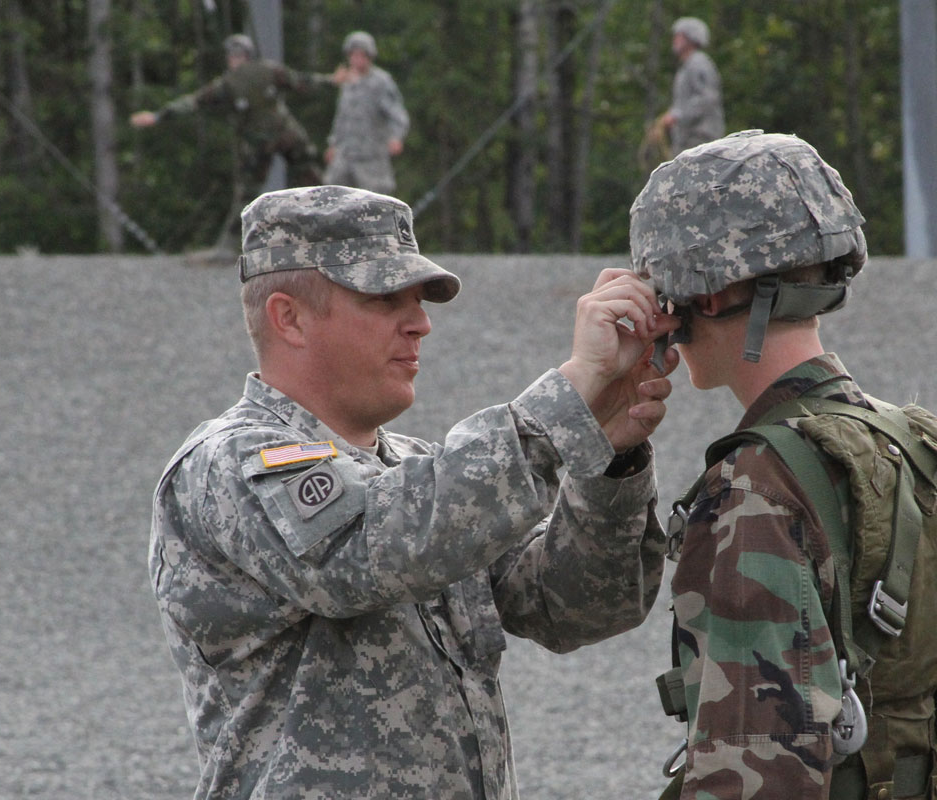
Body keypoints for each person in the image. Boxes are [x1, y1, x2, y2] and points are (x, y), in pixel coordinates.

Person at [149, 184, 682, 799]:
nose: (421, 324)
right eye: (384, 299)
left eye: (419, 301)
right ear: (288, 317)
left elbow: (576, 605)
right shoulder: (228, 463)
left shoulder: (418, 470)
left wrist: (607, 458)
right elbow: (361, 551)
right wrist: (559, 406)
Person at [630, 131, 937, 799]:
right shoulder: (930, 451)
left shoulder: (756, 486)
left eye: (663, 290)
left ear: (707, 297)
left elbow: (755, 774)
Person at [130, 34, 342, 257]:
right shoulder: (268, 70)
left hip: (259, 143)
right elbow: (303, 82)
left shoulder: (229, 83)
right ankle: (336, 227)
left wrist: (159, 116)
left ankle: (231, 246)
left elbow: (194, 102)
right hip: (286, 135)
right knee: (312, 180)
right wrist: (332, 80)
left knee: (248, 194)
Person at [323, 31, 409, 195]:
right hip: (346, 154)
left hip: (371, 157)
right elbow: (342, 118)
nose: (357, 59)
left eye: (362, 55)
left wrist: (396, 137)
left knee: (374, 199)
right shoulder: (348, 83)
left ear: (369, 57)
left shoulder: (380, 82)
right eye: (353, 55)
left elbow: (397, 114)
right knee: (332, 195)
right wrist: (334, 144)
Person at [656, 17, 725, 156]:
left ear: (690, 38)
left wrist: (677, 115)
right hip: (688, 140)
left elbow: (707, 98)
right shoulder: (687, 65)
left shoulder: (698, 63)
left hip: (700, 139)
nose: (675, 39)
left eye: (679, 36)